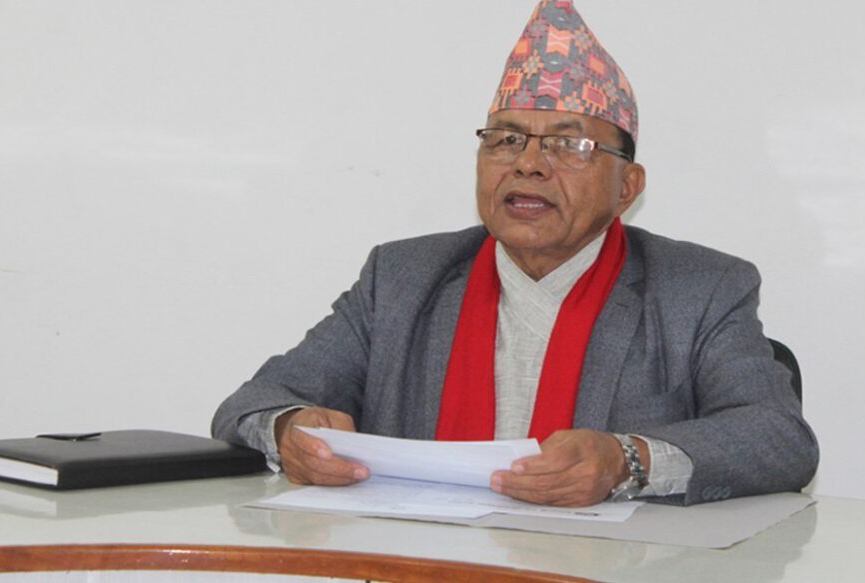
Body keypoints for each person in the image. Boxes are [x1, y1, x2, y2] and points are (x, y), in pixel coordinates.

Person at [212, 0, 818, 508]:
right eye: (505, 139)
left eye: (568, 145)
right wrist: (289, 430)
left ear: (627, 188)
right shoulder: (401, 279)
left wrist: (625, 459)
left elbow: (779, 438)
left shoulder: (699, 288)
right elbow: (252, 404)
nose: (528, 163)